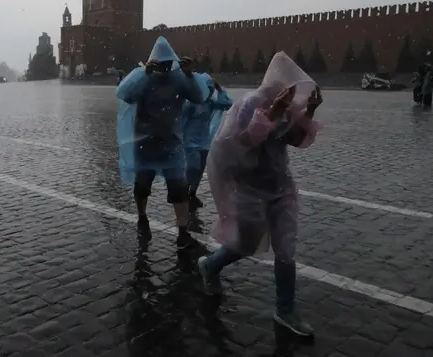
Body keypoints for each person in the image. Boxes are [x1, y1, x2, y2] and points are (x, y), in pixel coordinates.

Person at [197, 51, 323, 337]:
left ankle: (285, 309)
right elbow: (240, 145)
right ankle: (210, 265)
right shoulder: (250, 103)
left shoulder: (289, 107)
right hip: (250, 190)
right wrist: (273, 113)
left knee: (286, 250)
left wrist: (309, 111)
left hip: (281, 188)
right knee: (245, 243)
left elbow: (295, 139)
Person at [115, 36, 210, 249]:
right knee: (142, 186)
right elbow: (124, 94)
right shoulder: (143, 76)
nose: (165, 67)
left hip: (172, 145)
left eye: (168, 63)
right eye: (162, 63)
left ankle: (183, 231)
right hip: (145, 143)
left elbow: (199, 96)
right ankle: (142, 216)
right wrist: (144, 74)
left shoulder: (180, 79)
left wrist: (189, 74)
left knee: (178, 188)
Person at [182, 75, 233, 209]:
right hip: (190, 140)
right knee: (193, 166)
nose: (210, 92)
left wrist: (220, 90)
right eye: (208, 89)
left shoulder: (210, 103)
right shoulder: (191, 103)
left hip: (204, 141)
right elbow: (180, 120)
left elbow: (227, 104)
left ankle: (192, 194)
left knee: (199, 169)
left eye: (211, 89)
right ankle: (183, 192)